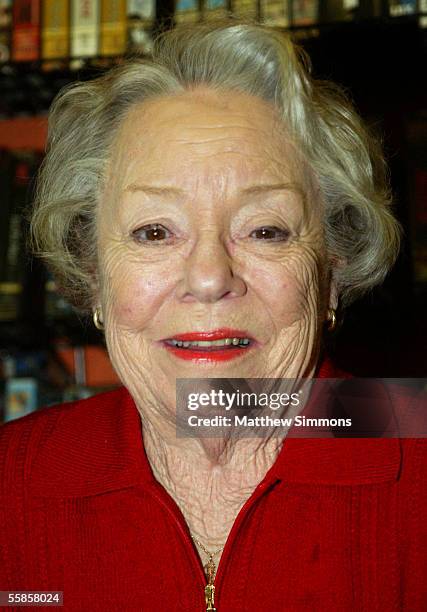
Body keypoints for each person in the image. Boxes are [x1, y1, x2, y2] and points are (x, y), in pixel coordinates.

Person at [0, 19, 425, 612]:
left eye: (265, 230)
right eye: (153, 232)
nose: (208, 278)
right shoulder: (10, 484)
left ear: (331, 271)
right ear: (93, 273)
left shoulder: (416, 451)